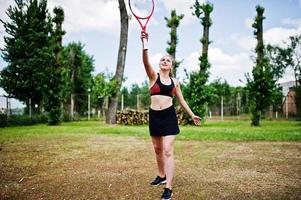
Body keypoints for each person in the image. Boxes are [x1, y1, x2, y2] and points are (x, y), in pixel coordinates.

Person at [141, 31, 201, 200]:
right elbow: (145, 62)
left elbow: (182, 101)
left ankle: (169, 187)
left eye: (168, 60)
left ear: (171, 66)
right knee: (158, 149)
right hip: (154, 116)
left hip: (169, 117)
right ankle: (161, 175)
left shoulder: (175, 83)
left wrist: (192, 115)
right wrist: (145, 44)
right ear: (159, 64)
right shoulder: (153, 77)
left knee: (168, 150)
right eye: (162, 60)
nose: (165, 61)